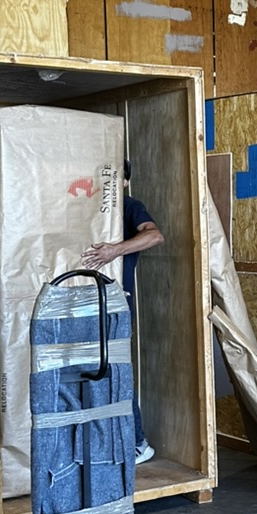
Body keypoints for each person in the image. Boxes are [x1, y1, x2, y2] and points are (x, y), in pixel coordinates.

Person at [82, 160, 164, 465]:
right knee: (93, 373)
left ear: (125, 182)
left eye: (118, 178)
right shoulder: (89, 208)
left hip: (116, 305)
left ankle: (139, 443)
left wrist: (114, 250)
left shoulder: (130, 206)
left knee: (117, 373)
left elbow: (155, 236)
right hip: (88, 305)